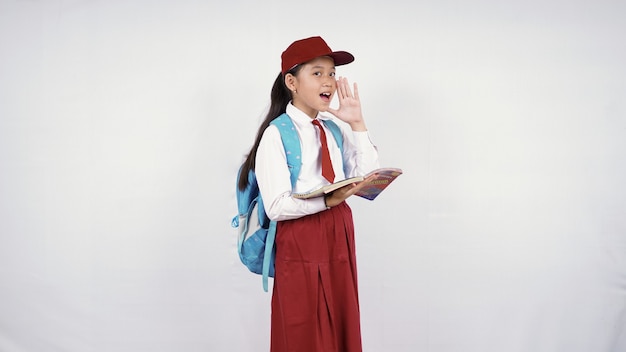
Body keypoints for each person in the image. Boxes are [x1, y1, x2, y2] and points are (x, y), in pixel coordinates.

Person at [238, 36, 380, 352]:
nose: (328, 81)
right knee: (302, 327)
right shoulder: (276, 134)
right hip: (300, 237)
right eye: (317, 73)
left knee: (341, 318)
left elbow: (366, 176)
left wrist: (357, 122)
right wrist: (327, 200)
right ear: (292, 82)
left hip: (339, 231)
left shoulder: (332, 128)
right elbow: (276, 207)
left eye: (331, 73)